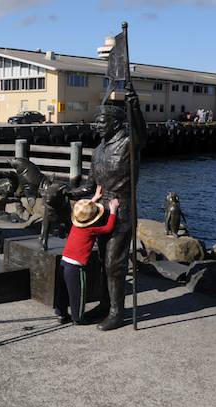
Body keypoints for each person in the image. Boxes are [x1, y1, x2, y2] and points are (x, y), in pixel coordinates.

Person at [68, 89, 146, 331]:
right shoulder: (99, 150)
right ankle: (105, 304)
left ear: (116, 123)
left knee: (114, 264)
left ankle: (116, 313)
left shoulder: (128, 142)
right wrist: (69, 192)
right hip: (99, 214)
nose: (97, 126)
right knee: (104, 262)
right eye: (97, 122)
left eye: (102, 122)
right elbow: (90, 185)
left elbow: (141, 133)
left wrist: (134, 106)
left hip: (121, 212)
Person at [55, 185, 119, 325]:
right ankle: (78, 318)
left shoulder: (75, 225)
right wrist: (113, 210)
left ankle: (61, 314)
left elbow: (84, 211)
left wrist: (95, 197)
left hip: (63, 262)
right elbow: (108, 228)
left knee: (63, 291)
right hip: (76, 267)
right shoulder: (91, 230)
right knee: (78, 293)